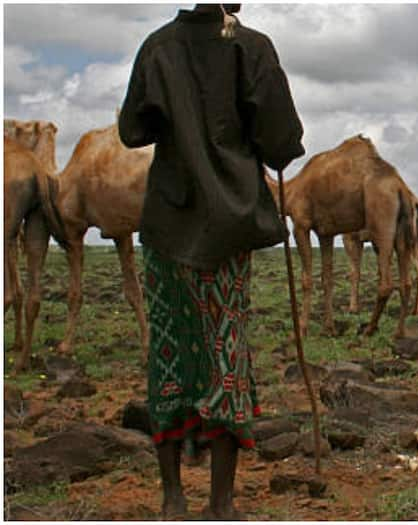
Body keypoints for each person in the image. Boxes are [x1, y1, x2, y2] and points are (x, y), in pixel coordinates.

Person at [118, 4, 304, 520]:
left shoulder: (157, 47)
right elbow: (283, 143)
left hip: (168, 225)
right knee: (226, 353)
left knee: (170, 351)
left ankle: (173, 498)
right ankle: (221, 504)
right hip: (227, 227)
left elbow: (133, 130)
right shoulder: (251, 47)